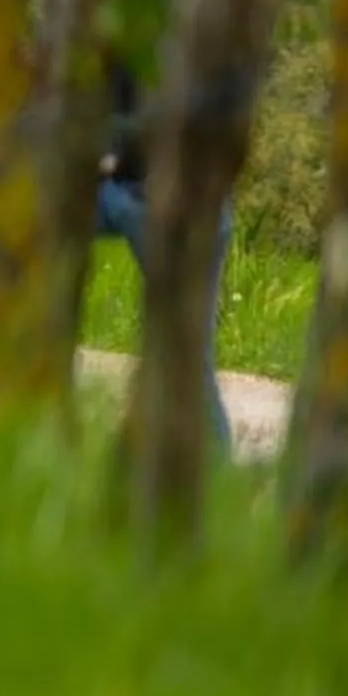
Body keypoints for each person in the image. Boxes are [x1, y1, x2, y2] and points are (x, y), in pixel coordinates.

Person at [98, 57, 233, 457]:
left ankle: (217, 475)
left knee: (186, 353)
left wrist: (113, 156)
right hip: (125, 192)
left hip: (166, 201)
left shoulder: (186, 30)